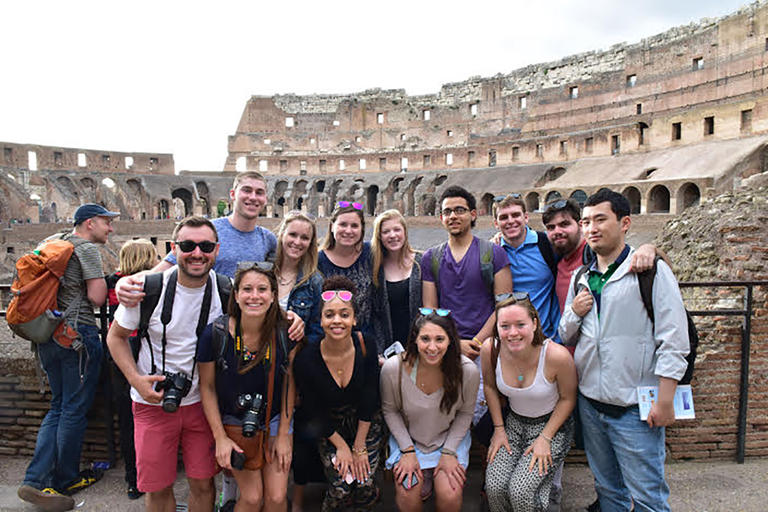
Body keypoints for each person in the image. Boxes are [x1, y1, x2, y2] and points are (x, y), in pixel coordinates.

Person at [559, 189, 689, 512]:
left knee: (648, 498)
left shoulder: (651, 271)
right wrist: (575, 311)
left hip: (634, 408)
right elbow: (565, 333)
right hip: (591, 404)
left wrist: (666, 398)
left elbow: (673, 338)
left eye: (600, 219)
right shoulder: (581, 277)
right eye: (586, 221)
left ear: (625, 222)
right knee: (608, 492)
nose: (591, 228)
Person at [107, 216, 225, 512]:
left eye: (206, 246)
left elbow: (264, 310)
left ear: (217, 250)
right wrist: (136, 380)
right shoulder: (148, 288)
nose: (197, 253)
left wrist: (293, 318)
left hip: (203, 404)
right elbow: (115, 338)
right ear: (174, 248)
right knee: (157, 487)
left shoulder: (227, 290)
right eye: (188, 245)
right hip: (152, 403)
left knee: (203, 483)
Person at [18, 203, 118, 512]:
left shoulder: (49, 242)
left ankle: (36, 478)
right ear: (89, 224)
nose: (110, 228)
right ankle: (59, 480)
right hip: (77, 336)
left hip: (47, 334)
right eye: (106, 222)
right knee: (73, 410)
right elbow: (97, 297)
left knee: (58, 407)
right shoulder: (84, 248)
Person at [198, 262, 296, 511]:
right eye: (247, 289)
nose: (255, 296)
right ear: (236, 295)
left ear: (274, 296)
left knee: (276, 498)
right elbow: (207, 388)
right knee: (252, 498)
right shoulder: (216, 334)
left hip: (275, 419)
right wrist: (220, 437)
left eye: (262, 289)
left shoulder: (285, 331)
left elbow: (290, 384)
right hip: (235, 421)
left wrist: (283, 434)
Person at [421, 185, 512, 424]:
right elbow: (430, 310)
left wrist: (478, 342)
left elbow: (503, 305)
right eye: (447, 211)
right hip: (446, 346)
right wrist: (453, 342)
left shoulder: (493, 254)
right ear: (441, 217)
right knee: (448, 411)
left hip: (486, 347)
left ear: (473, 214)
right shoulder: (431, 257)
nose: (453, 216)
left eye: (459, 210)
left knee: (483, 411)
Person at [292, 276, 384, 512]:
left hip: (364, 421)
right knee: (342, 485)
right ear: (320, 320)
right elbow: (313, 409)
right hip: (328, 425)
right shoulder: (307, 358)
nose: (337, 321)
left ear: (354, 319)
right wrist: (342, 447)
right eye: (329, 314)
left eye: (344, 314)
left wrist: (359, 446)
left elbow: (370, 396)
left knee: (364, 481)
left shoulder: (366, 345)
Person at [482, 293, 577, 512]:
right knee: (494, 487)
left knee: (521, 490)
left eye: (520, 324)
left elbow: (568, 398)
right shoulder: (491, 349)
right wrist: (498, 429)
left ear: (534, 323)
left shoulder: (556, 356)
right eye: (505, 326)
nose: (512, 333)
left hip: (551, 426)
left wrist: (545, 438)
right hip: (513, 424)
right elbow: (489, 387)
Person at [381, 310, 479, 512]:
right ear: (415, 340)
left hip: (448, 439)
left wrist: (449, 451)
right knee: (408, 495)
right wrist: (407, 451)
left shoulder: (467, 371)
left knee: (450, 494)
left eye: (440, 339)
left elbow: (465, 413)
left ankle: (432, 474)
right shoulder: (394, 368)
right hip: (409, 440)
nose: (432, 347)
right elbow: (390, 411)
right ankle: (425, 474)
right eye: (425, 339)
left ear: (451, 341)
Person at [105, 238, 159, 500]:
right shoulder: (148, 285)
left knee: (127, 418)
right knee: (154, 414)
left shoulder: (113, 283)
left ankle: (133, 479)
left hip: (119, 351)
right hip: (143, 349)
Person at [156, 171, 277, 276]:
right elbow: (163, 269)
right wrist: (139, 281)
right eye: (247, 190)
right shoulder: (207, 231)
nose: (253, 197)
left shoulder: (268, 239)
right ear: (233, 194)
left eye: (259, 192)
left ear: (266, 199)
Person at [492, 194, 560, 341]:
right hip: (510, 338)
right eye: (504, 217)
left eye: (516, 215)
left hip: (546, 337)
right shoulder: (492, 252)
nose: (510, 221)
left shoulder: (546, 244)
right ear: (496, 224)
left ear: (526, 217)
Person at [318, 201, 375, 345]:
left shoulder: (371, 254)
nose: (348, 231)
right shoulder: (317, 261)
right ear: (332, 226)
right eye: (343, 224)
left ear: (362, 229)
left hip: (366, 339)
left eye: (354, 225)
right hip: (329, 340)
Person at [371, 209, 422, 355]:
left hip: (419, 346)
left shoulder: (422, 262)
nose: (392, 235)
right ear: (379, 236)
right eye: (386, 231)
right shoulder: (375, 267)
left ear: (405, 232)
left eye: (397, 230)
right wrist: (379, 352)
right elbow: (374, 316)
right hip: (387, 349)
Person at [274, 210, 323, 344]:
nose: (297, 242)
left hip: (295, 356)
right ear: (282, 234)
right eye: (293, 235)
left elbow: (318, 331)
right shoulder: (263, 272)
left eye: (304, 238)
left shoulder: (314, 282)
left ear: (310, 243)